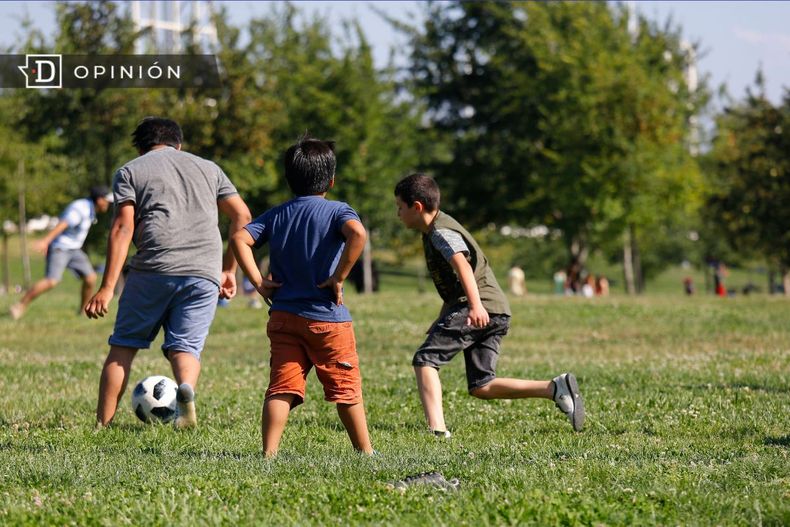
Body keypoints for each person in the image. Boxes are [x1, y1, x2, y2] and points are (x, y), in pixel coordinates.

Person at [84, 117, 252, 429]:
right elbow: (242, 215)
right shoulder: (209, 168)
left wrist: (107, 287)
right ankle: (185, 391)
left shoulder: (130, 171)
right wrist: (229, 269)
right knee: (185, 347)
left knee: (123, 346)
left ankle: (101, 426)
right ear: (179, 143)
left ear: (140, 147)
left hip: (154, 268)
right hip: (205, 270)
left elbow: (122, 226)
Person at [394, 173, 585, 437]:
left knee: (425, 360)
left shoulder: (440, 231)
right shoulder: (435, 230)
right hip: (495, 310)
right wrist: (445, 316)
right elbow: (454, 287)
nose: (397, 214)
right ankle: (554, 388)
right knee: (481, 385)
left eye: (399, 207)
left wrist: (474, 307)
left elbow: (462, 265)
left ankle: (437, 430)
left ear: (416, 207)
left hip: (479, 308)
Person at [231, 135, 373, 457]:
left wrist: (258, 282)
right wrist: (338, 277)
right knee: (346, 388)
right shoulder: (338, 210)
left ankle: (269, 453)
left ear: (288, 179)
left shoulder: (277, 214)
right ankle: (364, 452)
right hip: (327, 320)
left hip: (283, 317)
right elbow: (358, 234)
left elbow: (240, 238)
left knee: (282, 386)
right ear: (332, 180)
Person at [9, 186, 113, 320]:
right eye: (107, 200)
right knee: (51, 281)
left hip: (74, 249)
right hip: (61, 248)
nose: (108, 204)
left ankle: (82, 313)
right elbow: (64, 224)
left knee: (91, 278)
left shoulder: (90, 208)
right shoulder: (81, 208)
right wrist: (46, 240)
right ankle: (19, 306)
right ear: (99, 200)